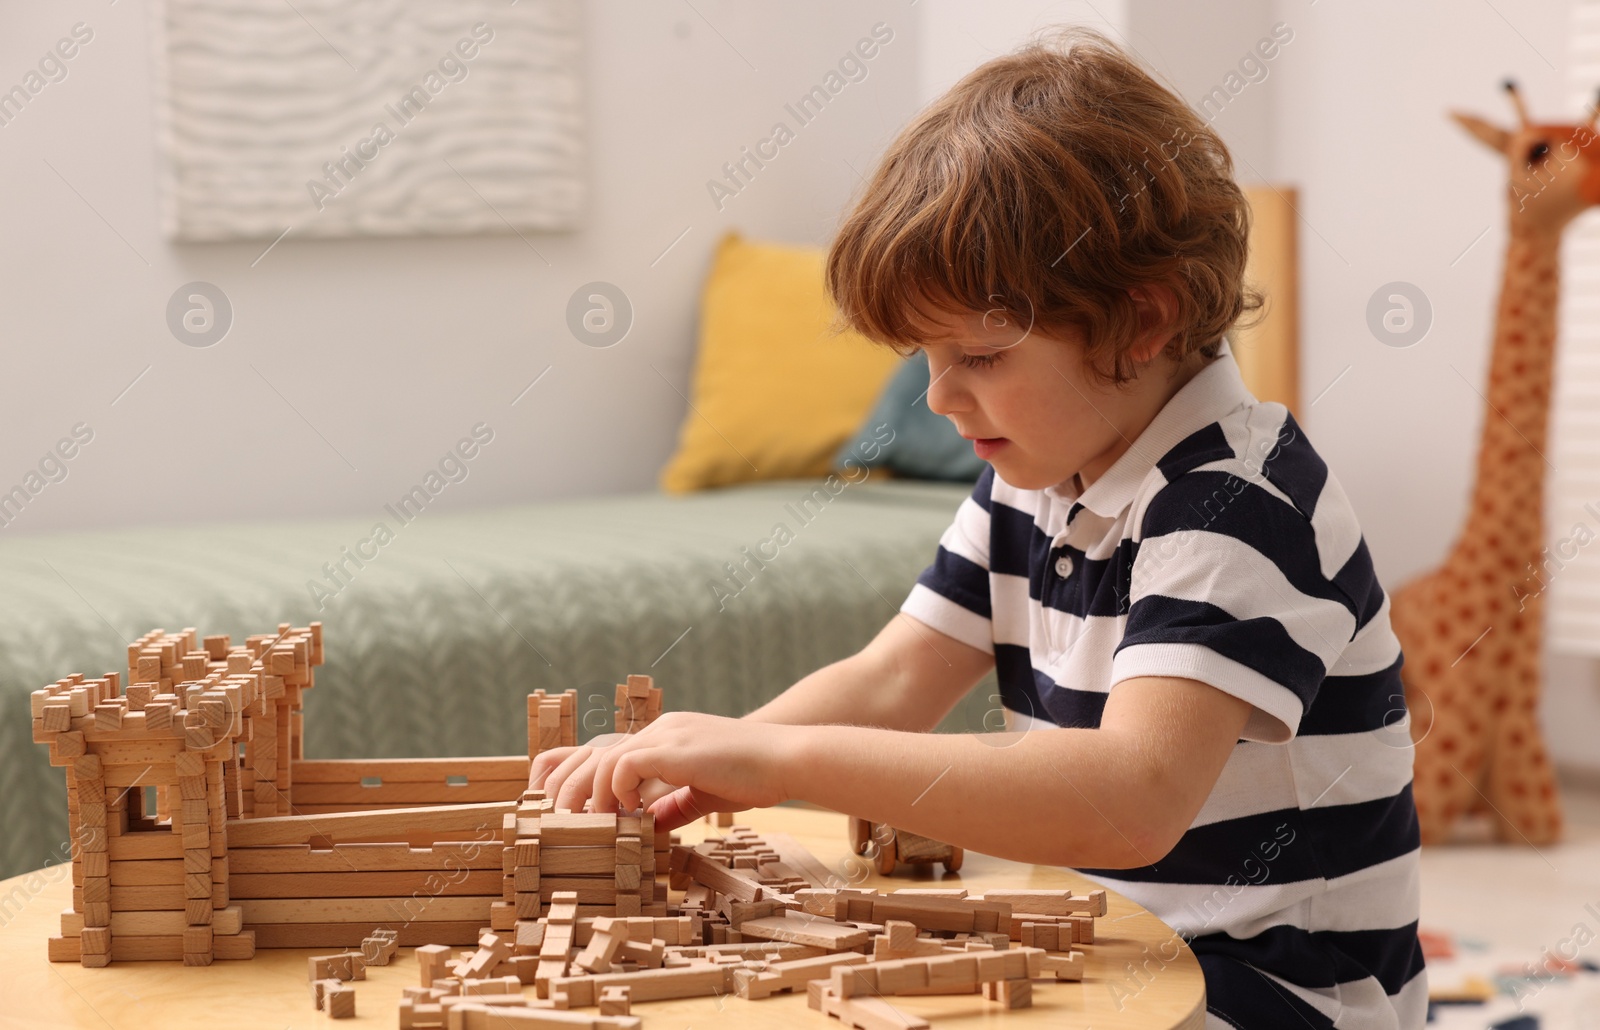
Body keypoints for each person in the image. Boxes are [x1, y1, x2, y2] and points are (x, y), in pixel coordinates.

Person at [534, 27, 1425, 1029]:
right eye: (923, 355)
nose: (941, 396)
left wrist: (781, 764)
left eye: (981, 354)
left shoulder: (1239, 503)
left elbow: (1128, 796)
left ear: (1142, 320)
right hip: (1119, 948)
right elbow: (890, 680)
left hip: (1276, 992)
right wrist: (712, 759)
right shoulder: (1035, 479)